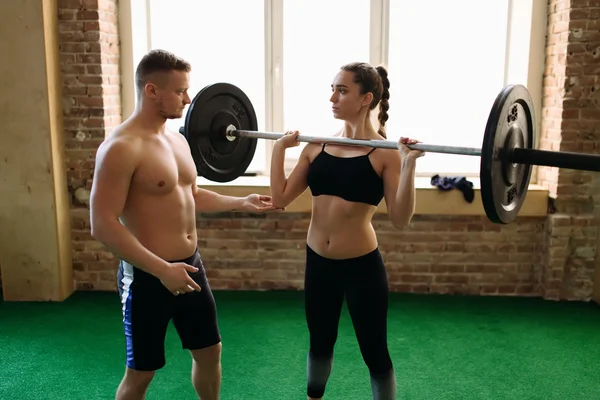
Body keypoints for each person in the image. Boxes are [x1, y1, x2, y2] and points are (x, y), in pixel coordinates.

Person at [89, 49, 279, 400]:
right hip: (147, 278)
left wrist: (242, 202)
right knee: (141, 373)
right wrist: (162, 270)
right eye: (180, 91)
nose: (189, 100)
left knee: (209, 351)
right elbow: (102, 224)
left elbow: (191, 194)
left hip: (191, 268)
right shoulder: (120, 147)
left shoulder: (178, 140)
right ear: (151, 90)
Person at [269, 62, 425, 400]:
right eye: (333, 88)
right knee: (320, 341)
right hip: (318, 262)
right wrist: (278, 150)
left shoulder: (385, 154)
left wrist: (409, 164)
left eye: (342, 90)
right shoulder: (316, 145)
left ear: (366, 98)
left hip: (361, 268)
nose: (332, 97)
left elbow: (400, 218)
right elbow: (280, 198)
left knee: (374, 350)